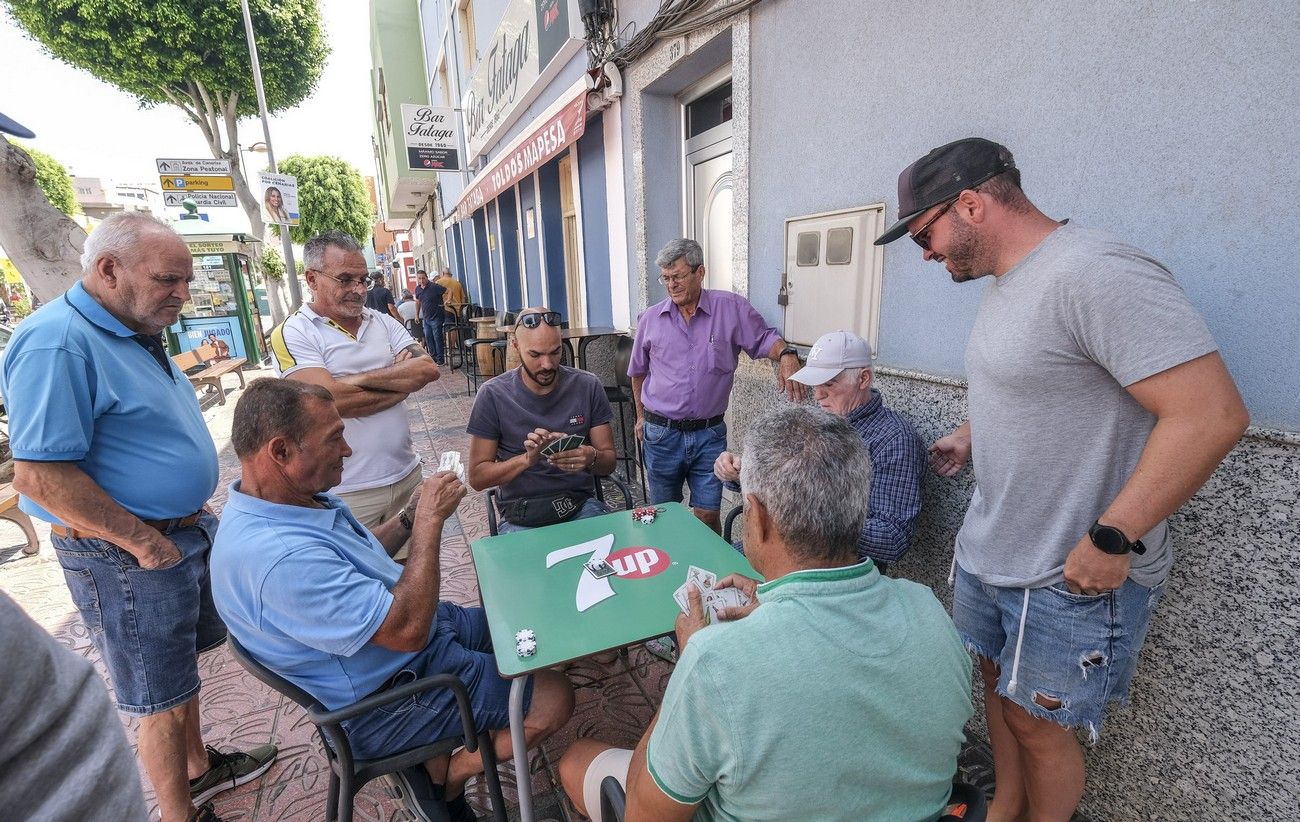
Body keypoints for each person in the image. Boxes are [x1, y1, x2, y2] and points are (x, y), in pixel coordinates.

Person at [873, 137, 1249, 820]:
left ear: (970, 204)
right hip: (994, 553)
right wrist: (973, 433)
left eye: (925, 233)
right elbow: (1049, 390)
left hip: (1067, 571)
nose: (925, 253)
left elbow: (1211, 414)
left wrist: (1114, 537)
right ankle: (1005, 809)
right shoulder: (1010, 285)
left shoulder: (1095, 271)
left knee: (1041, 730)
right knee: (1001, 707)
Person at [558, 406, 973, 821]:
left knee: (575, 760)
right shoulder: (930, 611)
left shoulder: (714, 661)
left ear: (756, 517)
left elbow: (645, 816)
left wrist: (690, 663)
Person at [0, 212, 278, 822]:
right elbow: (41, 476)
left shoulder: (132, 325)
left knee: (180, 678)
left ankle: (199, 768)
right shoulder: (59, 341)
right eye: (168, 280)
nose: (183, 293)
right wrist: (144, 542)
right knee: (156, 698)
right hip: (124, 555)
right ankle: (180, 815)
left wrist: (181, 507)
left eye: (185, 280)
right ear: (109, 270)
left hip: (173, 534)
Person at [211, 378, 575, 822]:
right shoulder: (280, 559)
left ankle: (449, 749)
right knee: (554, 697)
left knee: (533, 630)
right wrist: (428, 524)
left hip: (410, 645)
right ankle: (446, 777)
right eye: (334, 438)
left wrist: (407, 517)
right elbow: (406, 631)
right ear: (280, 451)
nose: (347, 450)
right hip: (392, 692)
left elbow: (361, 558)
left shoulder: (291, 502)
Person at [629, 238, 805, 533]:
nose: (671, 285)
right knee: (662, 516)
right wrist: (640, 417)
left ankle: (707, 577)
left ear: (700, 273)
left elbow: (763, 339)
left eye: (679, 276)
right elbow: (637, 372)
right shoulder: (651, 319)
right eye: (666, 278)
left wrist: (786, 355)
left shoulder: (730, 308)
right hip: (661, 435)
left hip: (708, 435)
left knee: (707, 516)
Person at [269, 231, 440, 533]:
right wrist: (400, 385)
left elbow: (426, 369)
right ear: (311, 279)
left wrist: (352, 381)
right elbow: (324, 402)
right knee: (360, 577)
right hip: (346, 492)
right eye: (345, 279)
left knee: (415, 573)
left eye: (363, 280)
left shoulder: (382, 321)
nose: (358, 289)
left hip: (406, 475)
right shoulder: (295, 332)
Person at [714, 329, 926, 566]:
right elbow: (781, 479)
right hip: (779, 549)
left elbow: (892, 537)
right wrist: (741, 472)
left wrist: (805, 521)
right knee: (711, 569)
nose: (818, 395)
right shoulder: (819, 420)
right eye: (814, 384)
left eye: (829, 384)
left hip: (832, 569)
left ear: (864, 378)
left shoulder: (894, 439)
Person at [467, 308, 618, 533]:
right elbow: (478, 478)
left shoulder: (587, 385)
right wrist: (527, 460)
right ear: (515, 345)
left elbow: (609, 461)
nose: (547, 364)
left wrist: (591, 457)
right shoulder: (493, 395)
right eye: (536, 355)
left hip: (578, 506)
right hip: (522, 515)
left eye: (555, 352)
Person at [414, 269, 448, 365]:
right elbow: (418, 302)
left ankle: (440, 360)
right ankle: (433, 358)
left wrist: (447, 301)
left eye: (423, 278)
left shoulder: (434, 287)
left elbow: (449, 291)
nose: (421, 280)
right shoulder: (418, 289)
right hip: (426, 318)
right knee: (428, 337)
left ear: (427, 278)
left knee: (437, 338)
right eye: (419, 278)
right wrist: (416, 315)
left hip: (437, 316)